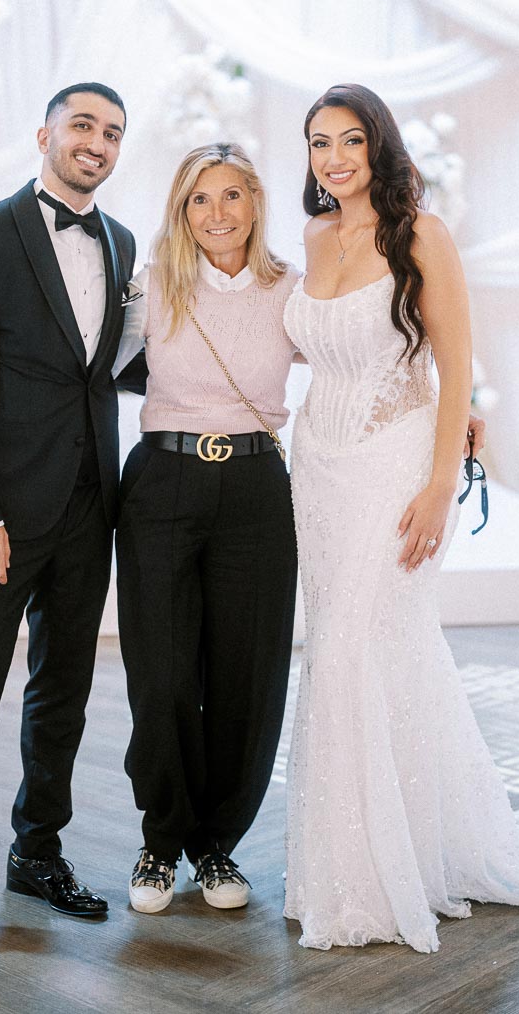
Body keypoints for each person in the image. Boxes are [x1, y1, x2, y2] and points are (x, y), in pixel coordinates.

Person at [282, 83, 519, 975]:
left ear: (379, 147)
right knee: (350, 649)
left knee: (349, 654)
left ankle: (372, 880)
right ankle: (386, 849)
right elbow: (319, 346)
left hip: (395, 466)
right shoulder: (311, 238)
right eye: (318, 143)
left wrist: (442, 482)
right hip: (319, 469)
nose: (334, 158)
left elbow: (457, 368)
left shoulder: (422, 235)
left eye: (349, 141)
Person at [0, 82, 143, 969]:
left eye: (113, 132)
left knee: (63, 692)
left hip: (92, 510)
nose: (97, 142)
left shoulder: (121, 243)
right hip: (0, 519)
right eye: (83, 125)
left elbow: (113, 368)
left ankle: (36, 853)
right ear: (44, 132)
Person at [112, 143, 300, 915]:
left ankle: (216, 845)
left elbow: (368, 353)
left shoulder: (295, 288)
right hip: (162, 482)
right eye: (199, 199)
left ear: (255, 203)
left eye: (230, 196)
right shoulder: (152, 288)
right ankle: (161, 843)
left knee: (244, 678)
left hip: (257, 488)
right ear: (180, 211)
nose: (216, 213)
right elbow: (92, 370)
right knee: (161, 676)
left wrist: (458, 409)